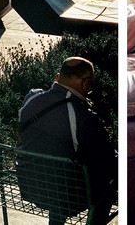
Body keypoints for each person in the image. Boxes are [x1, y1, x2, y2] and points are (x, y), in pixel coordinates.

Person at [17, 57, 116, 225]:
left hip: (28, 184)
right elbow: (107, 159)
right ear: (85, 83)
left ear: (58, 76)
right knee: (112, 179)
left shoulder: (31, 98)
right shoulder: (82, 116)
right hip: (65, 198)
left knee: (58, 172)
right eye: (90, 83)